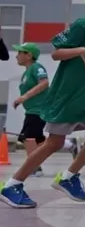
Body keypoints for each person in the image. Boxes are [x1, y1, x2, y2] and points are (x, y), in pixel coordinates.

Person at [0, 0, 85, 208]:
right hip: (69, 95)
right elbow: (57, 53)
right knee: (54, 143)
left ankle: (68, 177)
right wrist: (82, 50)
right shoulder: (83, 26)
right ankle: (12, 184)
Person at [11, 42, 51, 176]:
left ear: (28, 55)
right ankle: (68, 144)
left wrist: (24, 97)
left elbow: (44, 83)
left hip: (39, 110)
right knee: (37, 139)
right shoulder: (26, 72)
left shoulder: (36, 67)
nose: (16, 56)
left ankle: (35, 168)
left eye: (19, 53)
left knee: (28, 137)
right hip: (31, 110)